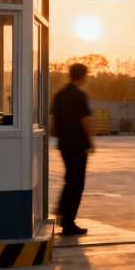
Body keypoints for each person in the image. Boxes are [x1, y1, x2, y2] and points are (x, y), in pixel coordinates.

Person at [50, 63, 94, 235]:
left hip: (64, 145)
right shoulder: (80, 96)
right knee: (77, 184)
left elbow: (53, 122)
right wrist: (91, 142)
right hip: (78, 145)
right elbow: (86, 121)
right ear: (82, 76)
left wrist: (60, 135)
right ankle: (68, 222)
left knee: (70, 180)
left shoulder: (59, 95)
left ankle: (61, 212)